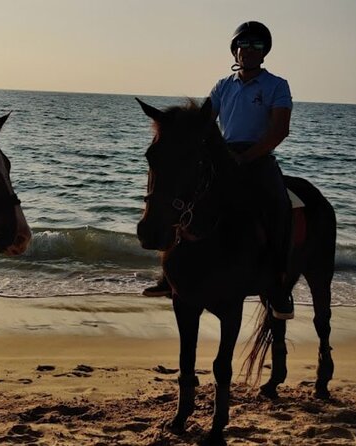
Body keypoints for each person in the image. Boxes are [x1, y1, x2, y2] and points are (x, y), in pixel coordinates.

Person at [142, 21, 294, 320]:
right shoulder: (223, 86)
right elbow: (204, 124)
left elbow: (279, 130)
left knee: (279, 205)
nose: (249, 51)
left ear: (264, 53)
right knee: (186, 200)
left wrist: (248, 156)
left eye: (257, 46)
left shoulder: (276, 85)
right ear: (235, 51)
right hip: (225, 157)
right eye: (244, 45)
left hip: (259, 158)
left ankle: (278, 284)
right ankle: (168, 275)